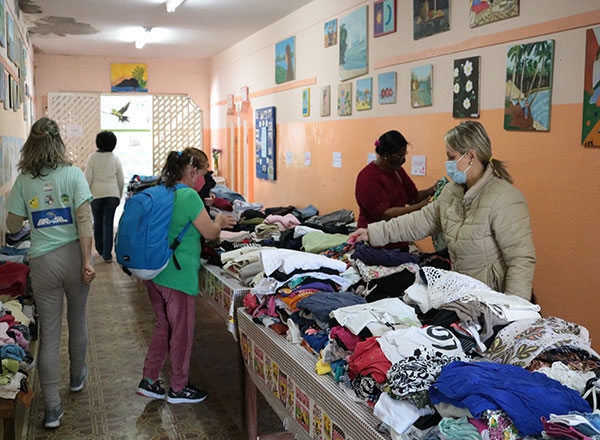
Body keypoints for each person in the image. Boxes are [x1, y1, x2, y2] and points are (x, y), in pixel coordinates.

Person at [349, 121, 536, 300]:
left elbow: (520, 260)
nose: (448, 163)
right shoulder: (451, 193)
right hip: (465, 294)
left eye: (451, 157)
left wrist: (514, 309)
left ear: (471, 157)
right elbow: (418, 222)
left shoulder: (505, 198)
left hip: (494, 299)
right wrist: (372, 233)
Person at [5, 117, 96, 429]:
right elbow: (85, 220)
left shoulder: (24, 180)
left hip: (43, 261)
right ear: (59, 143)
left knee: (50, 336)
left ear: (31, 145)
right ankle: (77, 377)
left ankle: (53, 409)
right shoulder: (73, 175)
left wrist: (33, 218)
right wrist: (87, 261)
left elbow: (11, 226)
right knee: (78, 320)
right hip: (75, 257)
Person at [136, 147, 236, 404]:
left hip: (155, 270)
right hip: (178, 275)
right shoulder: (190, 196)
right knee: (181, 331)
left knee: (164, 326)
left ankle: (149, 380)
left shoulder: (164, 190)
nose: (204, 179)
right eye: (203, 173)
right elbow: (210, 233)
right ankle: (179, 387)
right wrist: (219, 221)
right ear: (192, 171)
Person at [355, 130, 437, 251]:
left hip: (398, 239)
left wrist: (432, 190)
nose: (403, 159)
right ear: (386, 155)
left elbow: (413, 197)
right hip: (376, 242)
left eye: (405, 155)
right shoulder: (368, 177)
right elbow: (384, 214)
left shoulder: (397, 171)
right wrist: (419, 208)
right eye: (399, 156)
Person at [84, 130, 124, 263]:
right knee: (108, 224)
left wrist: (86, 196)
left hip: (96, 195)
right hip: (112, 194)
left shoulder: (92, 158)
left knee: (98, 222)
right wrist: (118, 195)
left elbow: (87, 178)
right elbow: (121, 180)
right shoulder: (115, 158)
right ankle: (107, 255)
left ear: (98, 143)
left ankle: (100, 249)